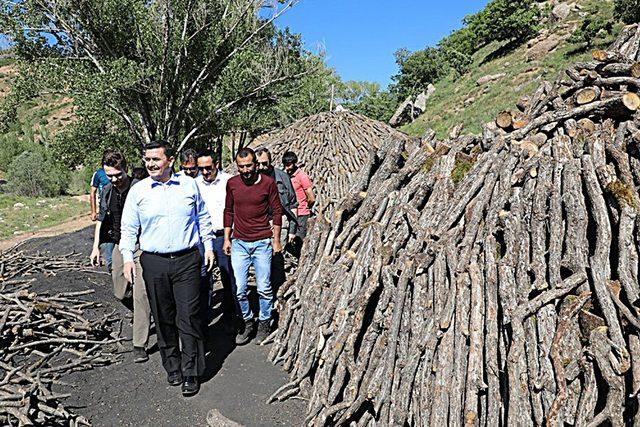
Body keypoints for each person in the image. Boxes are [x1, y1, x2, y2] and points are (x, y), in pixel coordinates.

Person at [120, 140, 215, 397]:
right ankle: (172, 366)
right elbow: (128, 227)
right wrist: (128, 258)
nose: (150, 164)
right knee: (163, 317)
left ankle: (191, 371)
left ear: (169, 160)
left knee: (189, 315)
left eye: (155, 159)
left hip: (187, 260)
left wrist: (207, 247)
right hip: (154, 262)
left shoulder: (189, 185)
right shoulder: (138, 191)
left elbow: (202, 218)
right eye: (147, 160)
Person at [89, 151, 152, 363]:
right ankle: (146, 312)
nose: (115, 179)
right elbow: (101, 218)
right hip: (120, 243)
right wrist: (96, 247)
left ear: (125, 168)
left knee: (140, 293)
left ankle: (139, 343)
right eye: (110, 175)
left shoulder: (139, 188)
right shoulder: (107, 190)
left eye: (118, 175)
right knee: (119, 290)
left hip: (141, 245)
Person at [223, 148, 283, 345]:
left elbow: (276, 211)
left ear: (255, 164)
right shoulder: (232, 184)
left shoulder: (268, 183)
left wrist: (276, 240)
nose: (246, 170)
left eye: (249, 165)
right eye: (242, 167)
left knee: (264, 287)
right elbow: (228, 211)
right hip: (239, 241)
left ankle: (264, 322)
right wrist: (226, 238)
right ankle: (248, 321)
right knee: (240, 289)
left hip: (262, 242)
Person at [195, 150, 239, 331]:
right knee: (203, 279)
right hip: (202, 238)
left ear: (217, 164)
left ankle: (231, 316)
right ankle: (204, 320)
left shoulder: (230, 181)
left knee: (229, 276)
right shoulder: (194, 184)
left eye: (208, 168)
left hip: (224, 236)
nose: (205, 172)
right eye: (201, 169)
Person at [255, 147, 298, 296]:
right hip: (261, 223)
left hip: (281, 221)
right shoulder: (253, 178)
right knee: (263, 258)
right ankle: (265, 291)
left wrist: (293, 229)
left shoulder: (282, 177)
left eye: (264, 163)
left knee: (277, 257)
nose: (261, 167)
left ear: (271, 161)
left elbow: (293, 203)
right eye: (258, 164)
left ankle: (277, 291)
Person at [282, 151, 315, 252]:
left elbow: (311, 197)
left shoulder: (302, 176)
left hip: (301, 213)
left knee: (299, 240)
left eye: (289, 165)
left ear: (294, 163)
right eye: (285, 165)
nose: (287, 168)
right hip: (290, 213)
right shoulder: (285, 175)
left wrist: (305, 206)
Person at [90, 149, 113, 222]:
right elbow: (92, 192)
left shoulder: (117, 171)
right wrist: (93, 212)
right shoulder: (98, 173)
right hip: (104, 206)